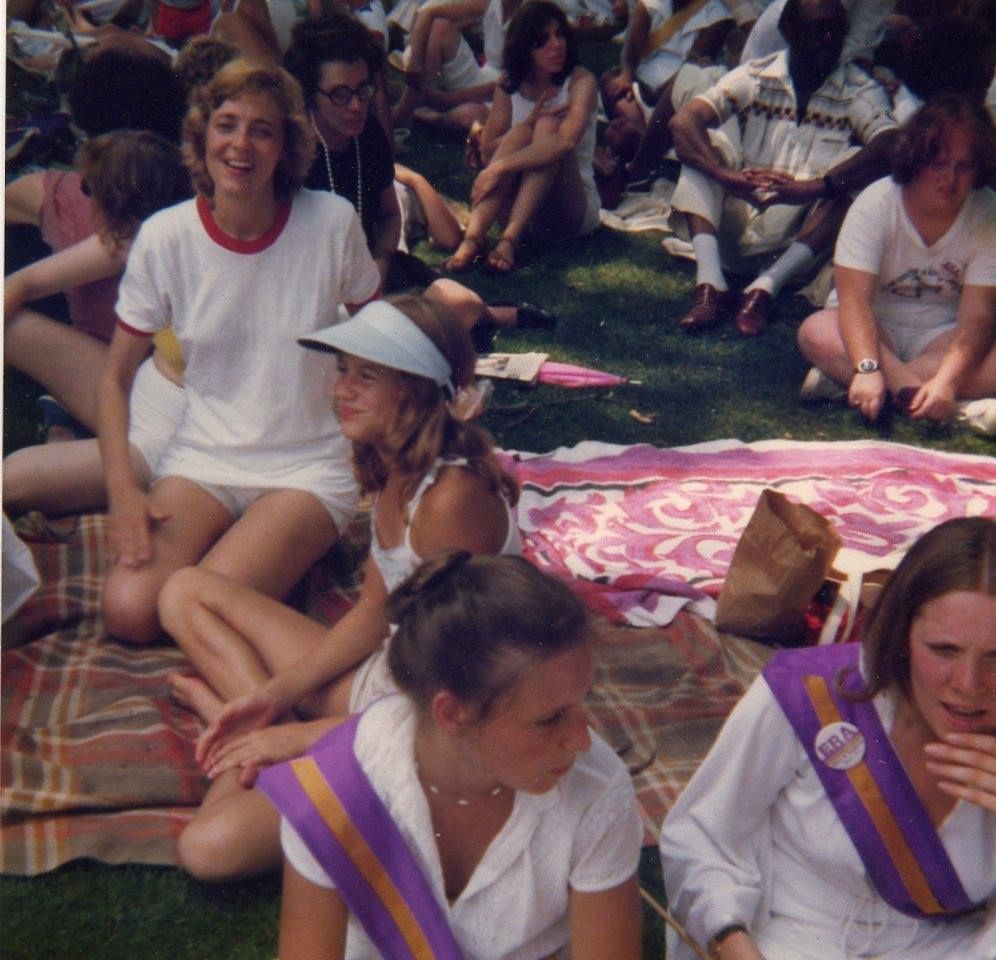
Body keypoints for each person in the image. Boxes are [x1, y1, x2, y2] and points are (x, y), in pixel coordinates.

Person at [158, 294, 522, 880]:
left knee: (208, 849)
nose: (341, 390)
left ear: (416, 388)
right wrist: (273, 698)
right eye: (343, 371)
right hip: (391, 683)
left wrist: (304, 735)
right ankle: (250, 722)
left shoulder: (452, 500)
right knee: (182, 590)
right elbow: (374, 610)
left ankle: (247, 732)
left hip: (433, 731)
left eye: (367, 376)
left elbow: (462, 695)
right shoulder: (397, 468)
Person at [97, 58, 380, 645]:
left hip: (307, 466)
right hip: (204, 456)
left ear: (287, 147)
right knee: (129, 611)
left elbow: (379, 335)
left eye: (262, 129)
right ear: (202, 137)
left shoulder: (331, 223)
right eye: (226, 125)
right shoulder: (167, 237)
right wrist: (124, 488)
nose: (240, 145)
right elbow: (114, 377)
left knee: (193, 603)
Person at [260, 550, 644, 960]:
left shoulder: (595, 788)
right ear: (453, 713)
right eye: (549, 719)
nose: (582, 741)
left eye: (583, 701)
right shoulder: (336, 789)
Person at [660, 515, 996, 960]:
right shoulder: (812, 694)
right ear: (900, 632)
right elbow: (704, 835)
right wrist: (732, 940)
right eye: (944, 650)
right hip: (789, 938)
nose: (969, 682)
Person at [668, 0, 899, 335]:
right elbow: (684, 121)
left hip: (799, 249)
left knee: (857, 174)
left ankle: (763, 290)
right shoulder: (757, 74)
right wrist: (725, 176)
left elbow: (891, 143)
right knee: (706, 148)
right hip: (737, 225)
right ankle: (710, 286)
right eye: (819, 29)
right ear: (789, 31)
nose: (830, 39)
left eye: (838, 30)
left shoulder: (858, 88)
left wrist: (817, 186)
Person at [4, 131, 191, 516]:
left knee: (12, 479)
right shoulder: (136, 238)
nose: (87, 205)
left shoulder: (190, 250)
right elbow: (24, 284)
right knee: (12, 324)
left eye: (91, 193)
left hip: (169, 435)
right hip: (140, 392)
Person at [797, 95, 996, 435]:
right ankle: (954, 409)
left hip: (941, 338)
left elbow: (976, 318)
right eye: (939, 163)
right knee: (815, 331)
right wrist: (869, 365)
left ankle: (861, 386)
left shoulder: (988, 213)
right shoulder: (877, 202)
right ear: (916, 158)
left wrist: (947, 380)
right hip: (871, 331)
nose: (950, 178)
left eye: (964, 166)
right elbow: (854, 301)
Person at [444, 0, 600, 274]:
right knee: (521, 132)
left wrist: (502, 167)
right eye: (542, 40)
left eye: (559, 34)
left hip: (569, 209)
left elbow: (565, 143)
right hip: (519, 202)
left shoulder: (580, 81)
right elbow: (489, 150)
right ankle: (473, 238)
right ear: (525, 47)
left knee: (548, 128)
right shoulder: (510, 83)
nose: (556, 45)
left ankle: (508, 242)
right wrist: (524, 128)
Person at [390, 0, 520, 134]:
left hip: (513, 97)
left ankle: (432, 116)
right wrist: (414, 57)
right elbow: (429, 13)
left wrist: (446, 99)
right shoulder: (491, 3)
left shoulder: (535, 12)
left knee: (468, 117)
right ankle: (406, 111)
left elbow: (507, 85)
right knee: (440, 27)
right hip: (487, 76)